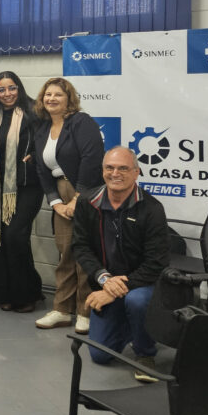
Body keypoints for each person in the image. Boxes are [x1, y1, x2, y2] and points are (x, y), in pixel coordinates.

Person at [72, 147, 170, 382]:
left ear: (136, 172)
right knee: (100, 356)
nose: (115, 173)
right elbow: (80, 247)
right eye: (110, 168)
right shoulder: (87, 203)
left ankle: (145, 353)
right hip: (106, 282)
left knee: (136, 301)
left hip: (141, 285)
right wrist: (104, 279)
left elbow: (156, 262)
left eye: (123, 168)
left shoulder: (152, 208)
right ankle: (131, 323)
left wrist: (114, 290)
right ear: (102, 171)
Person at [33, 77, 105, 334]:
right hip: (60, 193)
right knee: (65, 253)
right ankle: (62, 310)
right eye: (48, 95)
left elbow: (91, 159)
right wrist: (55, 203)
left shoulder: (81, 122)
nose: (51, 99)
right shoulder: (42, 128)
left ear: (69, 99)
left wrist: (77, 199)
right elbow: (41, 168)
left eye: (58, 95)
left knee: (84, 253)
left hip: (85, 191)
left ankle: (85, 311)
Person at [0, 71, 44, 312]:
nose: (7, 93)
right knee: (0, 240)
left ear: (19, 88)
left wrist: (35, 156)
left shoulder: (35, 112)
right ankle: (5, 294)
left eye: (12, 88)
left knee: (15, 237)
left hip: (28, 186)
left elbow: (50, 141)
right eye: (1, 89)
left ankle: (27, 295)